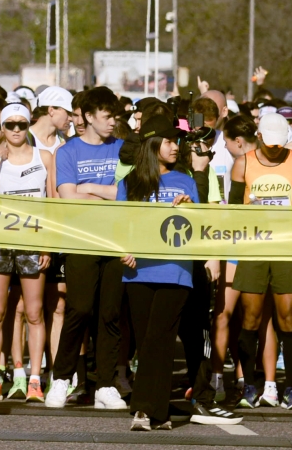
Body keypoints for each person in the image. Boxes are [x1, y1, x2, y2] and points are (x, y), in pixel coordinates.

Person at [46, 88, 128, 409]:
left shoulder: (122, 149)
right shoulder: (67, 151)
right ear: (90, 117)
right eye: (107, 116)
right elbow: (67, 196)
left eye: (114, 117)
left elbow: (125, 194)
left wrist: (90, 188)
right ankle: (61, 379)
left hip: (114, 240)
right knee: (79, 309)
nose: (112, 122)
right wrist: (107, 193)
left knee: (110, 314)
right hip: (80, 239)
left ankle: (105, 384)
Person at [116, 126, 198, 430]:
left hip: (176, 270)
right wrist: (122, 251)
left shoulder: (186, 180)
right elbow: (119, 224)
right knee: (149, 342)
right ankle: (160, 413)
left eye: (176, 141)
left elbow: (202, 224)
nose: (175, 147)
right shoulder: (129, 182)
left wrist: (191, 208)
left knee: (158, 337)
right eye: (168, 142)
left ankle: (141, 408)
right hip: (138, 271)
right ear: (152, 145)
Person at [228, 110, 292, 409]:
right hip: (254, 247)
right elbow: (233, 210)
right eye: (269, 143)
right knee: (250, 316)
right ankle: (249, 384)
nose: (275, 149)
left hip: (288, 247)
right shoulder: (243, 163)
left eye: (279, 144)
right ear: (259, 136)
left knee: (288, 316)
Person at [0, 102, 51, 403]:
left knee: (34, 312)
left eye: (22, 124)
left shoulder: (44, 157)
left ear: (29, 125)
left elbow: (53, 203)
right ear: (3, 128)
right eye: (11, 125)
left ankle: (35, 380)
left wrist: (48, 244)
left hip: (33, 240)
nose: (17, 130)